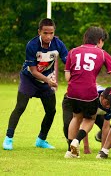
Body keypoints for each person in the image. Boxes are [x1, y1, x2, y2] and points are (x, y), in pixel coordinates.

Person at [3, 18, 68, 150]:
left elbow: (68, 62)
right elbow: (33, 71)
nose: (48, 36)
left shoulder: (58, 44)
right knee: (20, 107)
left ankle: (41, 140)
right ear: (39, 32)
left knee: (51, 111)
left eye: (51, 33)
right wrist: (49, 81)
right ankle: (8, 139)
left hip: (45, 80)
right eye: (45, 33)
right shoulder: (31, 45)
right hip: (29, 79)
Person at [64, 26, 111, 158]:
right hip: (89, 92)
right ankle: (76, 141)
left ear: (85, 38)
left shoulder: (72, 52)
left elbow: (67, 77)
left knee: (76, 117)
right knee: (90, 118)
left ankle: (70, 151)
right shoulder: (102, 53)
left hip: (72, 91)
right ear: (100, 40)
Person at [62, 85, 111, 154]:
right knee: (68, 124)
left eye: (110, 104)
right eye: (107, 103)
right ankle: (71, 146)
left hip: (93, 105)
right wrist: (86, 147)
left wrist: (103, 150)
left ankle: (99, 137)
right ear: (102, 97)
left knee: (109, 128)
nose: (108, 106)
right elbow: (84, 123)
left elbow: (106, 127)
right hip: (72, 99)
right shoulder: (92, 98)